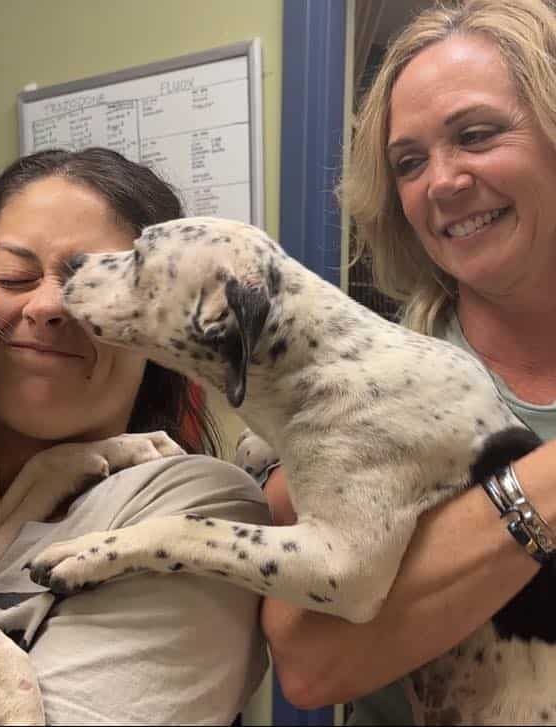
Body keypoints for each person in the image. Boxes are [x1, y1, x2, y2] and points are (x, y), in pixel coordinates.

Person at [0, 147, 270, 724]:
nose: (47, 305)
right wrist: (58, 468)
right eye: (13, 275)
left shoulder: (191, 513)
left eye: (94, 278)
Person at [259, 0, 556, 723]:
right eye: (409, 162)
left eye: (477, 135)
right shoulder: (369, 390)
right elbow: (308, 659)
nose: (442, 182)